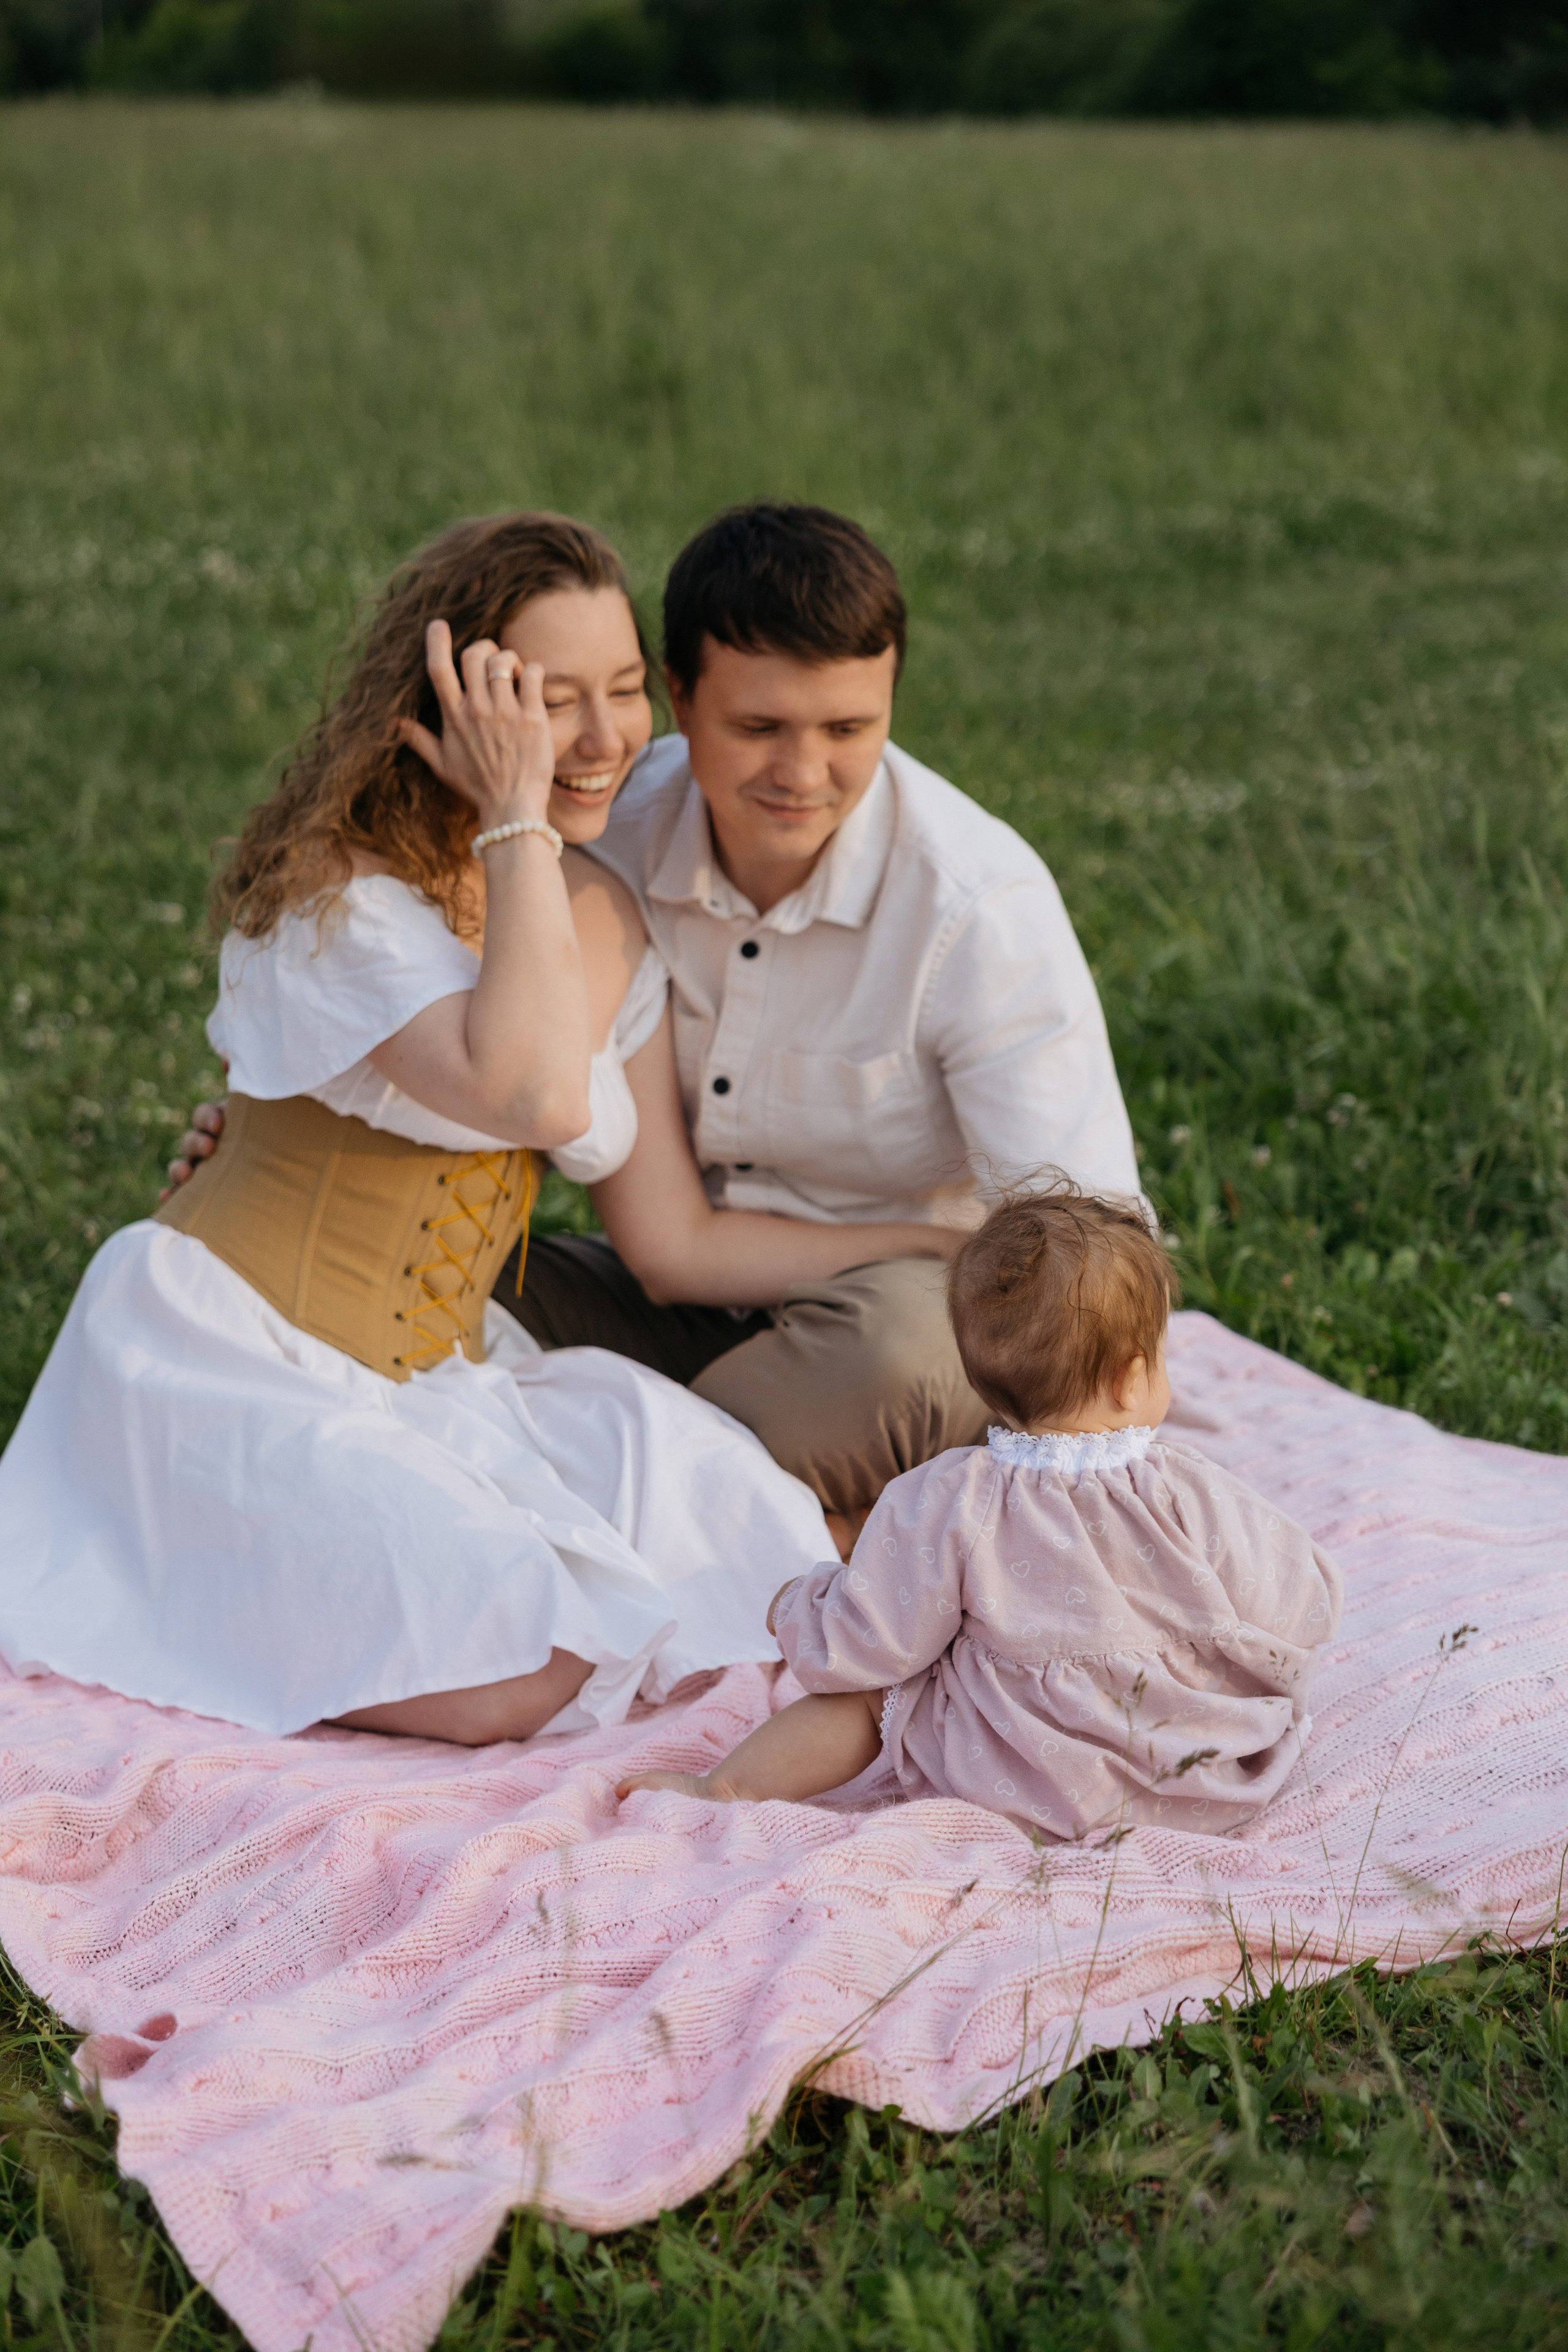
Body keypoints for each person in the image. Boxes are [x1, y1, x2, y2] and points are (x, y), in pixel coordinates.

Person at [0, 513, 957, 1746]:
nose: (606, 739)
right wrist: (514, 819)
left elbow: (673, 1244)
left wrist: (924, 1237)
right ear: (454, 700)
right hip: (232, 1360)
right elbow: (532, 1094)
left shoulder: (595, 908)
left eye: (624, 691)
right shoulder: (342, 896)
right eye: (553, 700)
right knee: (529, 1656)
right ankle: (205, 1582)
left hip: (435, 1380)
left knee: (747, 1533)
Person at [173, 503, 1142, 1528]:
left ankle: (659, 1502)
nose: (804, 776)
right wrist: (284, 1135)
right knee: (418, 1307)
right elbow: (425, 1001)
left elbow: (1095, 1249)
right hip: (671, 1290)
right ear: (681, 698)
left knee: (909, 1368)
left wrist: (954, 1264)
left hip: (884, 1312)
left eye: (849, 729)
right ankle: (728, 1508)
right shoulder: (592, 828)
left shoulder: (976, 911)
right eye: (759, 728)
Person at [620, 1185, 1343, 1838]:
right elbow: (1297, 1599)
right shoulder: (1190, 1487)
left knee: (882, 1696)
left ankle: (725, 1788)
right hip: (1192, 1779)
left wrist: (799, 1606)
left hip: (1019, 1783)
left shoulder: (946, 1500)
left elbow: (869, 1643)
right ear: (1132, 1380)